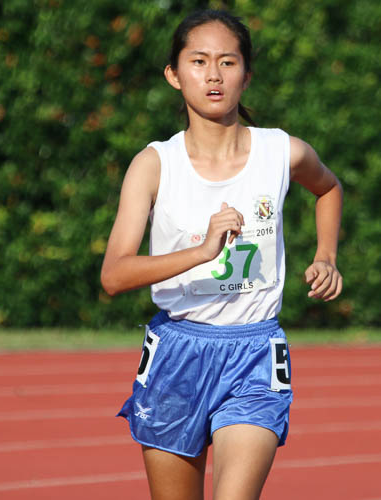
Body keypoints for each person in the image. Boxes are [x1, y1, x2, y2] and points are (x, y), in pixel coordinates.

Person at [101, 9, 343, 500]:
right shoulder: (153, 165)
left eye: (228, 62)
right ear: (174, 74)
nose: (213, 75)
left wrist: (327, 255)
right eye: (198, 61)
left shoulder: (281, 152)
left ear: (246, 75)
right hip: (177, 352)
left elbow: (329, 187)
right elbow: (114, 274)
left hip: (254, 352)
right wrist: (201, 251)